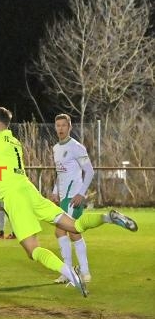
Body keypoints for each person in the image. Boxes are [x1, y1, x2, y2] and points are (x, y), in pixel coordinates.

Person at [0, 103, 138, 297]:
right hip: (29, 190)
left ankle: (71, 274)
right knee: (75, 226)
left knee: (32, 249)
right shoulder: (13, 140)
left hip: (14, 196)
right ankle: (107, 218)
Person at [51, 114, 94, 284]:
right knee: (70, 232)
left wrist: (81, 194)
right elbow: (60, 173)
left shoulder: (77, 147)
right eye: (58, 125)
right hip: (63, 197)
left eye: (63, 125)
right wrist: (55, 191)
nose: (60, 128)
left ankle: (76, 271)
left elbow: (90, 171)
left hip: (74, 196)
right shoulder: (55, 148)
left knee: (64, 231)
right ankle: (78, 272)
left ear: (70, 127)